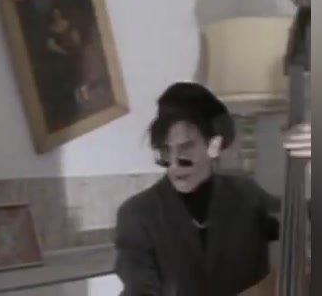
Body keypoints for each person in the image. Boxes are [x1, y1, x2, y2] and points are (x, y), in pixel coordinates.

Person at [114, 82, 280, 296]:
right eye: (166, 150)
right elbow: (139, 289)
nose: (175, 162)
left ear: (213, 146)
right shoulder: (138, 214)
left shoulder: (247, 196)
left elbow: (304, 219)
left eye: (186, 147)